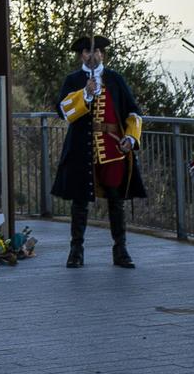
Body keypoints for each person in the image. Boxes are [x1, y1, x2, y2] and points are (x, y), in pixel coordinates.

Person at [52, 34, 145, 269]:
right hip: (81, 149)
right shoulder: (73, 80)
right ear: (81, 55)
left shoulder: (115, 79)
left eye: (95, 52)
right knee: (79, 203)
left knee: (116, 201)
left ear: (101, 54)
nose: (92, 55)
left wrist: (130, 137)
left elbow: (134, 112)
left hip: (112, 150)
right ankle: (76, 251)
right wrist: (84, 94)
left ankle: (121, 250)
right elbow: (63, 111)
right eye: (86, 52)